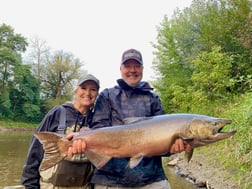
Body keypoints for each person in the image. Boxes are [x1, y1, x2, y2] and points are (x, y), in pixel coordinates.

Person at [68, 48, 191, 189]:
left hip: (152, 178)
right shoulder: (107, 96)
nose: (132, 70)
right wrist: (82, 139)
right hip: (110, 179)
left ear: (142, 69)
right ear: (121, 69)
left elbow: (164, 145)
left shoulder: (153, 99)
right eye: (127, 66)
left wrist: (173, 147)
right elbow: (98, 129)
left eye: (137, 66)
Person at [21, 74, 100, 189]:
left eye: (93, 89)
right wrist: (30, 185)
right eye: (83, 88)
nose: (87, 93)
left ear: (97, 94)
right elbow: (35, 152)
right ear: (75, 90)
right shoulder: (57, 113)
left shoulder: (97, 121)